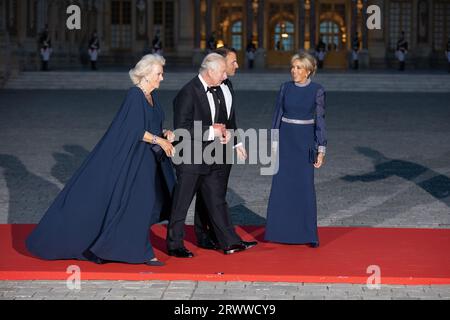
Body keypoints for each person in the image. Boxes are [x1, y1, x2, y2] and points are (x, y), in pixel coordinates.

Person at [26, 54, 176, 266]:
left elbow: (151, 126)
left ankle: (115, 246)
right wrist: (159, 141)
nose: (162, 77)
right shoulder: (135, 95)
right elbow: (132, 130)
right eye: (159, 73)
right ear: (146, 74)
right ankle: (142, 253)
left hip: (147, 161)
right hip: (133, 160)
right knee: (140, 204)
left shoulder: (152, 97)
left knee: (140, 204)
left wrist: (165, 133)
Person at [166, 53, 257, 258]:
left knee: (217, 199)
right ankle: (174, 245)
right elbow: (181, 129)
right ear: (210, 71)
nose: (226, 76)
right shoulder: (187, 93)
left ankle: (229, 242)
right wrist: (211, 132)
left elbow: (225, 119)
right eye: (223, 72)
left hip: (214, 155)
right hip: (190, 156)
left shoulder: (220, 88)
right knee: (182, 203)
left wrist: (227, 137)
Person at [265, 52, 327, 247]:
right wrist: (273, 143)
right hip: (285, 141)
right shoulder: (285, 88)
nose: (294, 71)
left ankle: (307, 234)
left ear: (308, 71)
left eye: (299, 67)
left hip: (304, 143)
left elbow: (320, 120)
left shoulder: (317, 90)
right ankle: (279, 232)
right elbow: (277, 115)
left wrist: (321, 148)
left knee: (304, 188)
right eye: (292, 67)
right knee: (282, 187)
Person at [193, 47, 248, 250]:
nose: (237, 65)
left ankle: (210, 234)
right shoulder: (199, 88)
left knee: (217, 192)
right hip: (205, 147)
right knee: (210, 194)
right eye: (233, 62)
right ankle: (216, 236)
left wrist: (238, 142)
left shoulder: (228, 85)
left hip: (225, 147)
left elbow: (230, 117)